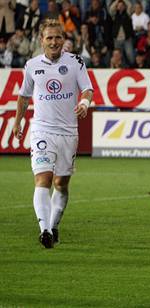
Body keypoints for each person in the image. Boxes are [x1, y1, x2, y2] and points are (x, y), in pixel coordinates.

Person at [13, 19, 93, 249]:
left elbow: (87, 89)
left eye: (58, 37)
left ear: (63, 39)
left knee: (61, 184)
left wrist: (85, 103)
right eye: (49, 37)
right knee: (43, 179)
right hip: (42, 130)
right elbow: (24, 96)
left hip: (68, 133)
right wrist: (18, 121)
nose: (54, 41)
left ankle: (54, 224)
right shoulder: (31, 65)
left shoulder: (75, 62)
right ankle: (45, 230)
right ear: (42, 40)